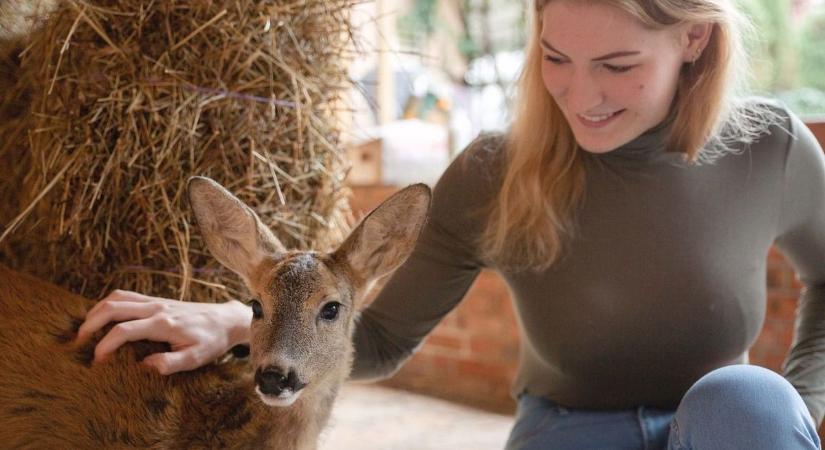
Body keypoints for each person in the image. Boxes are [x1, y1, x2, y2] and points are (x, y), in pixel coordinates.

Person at [77, 0, 825, 448]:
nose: (579, 93)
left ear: (691, 39)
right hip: (568, 429)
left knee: (746, 399)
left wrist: (808, 405)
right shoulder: (495, 169)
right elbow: (376, 340)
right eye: (556, 56)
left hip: (721, 429)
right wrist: (241, 324)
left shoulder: (767, 146)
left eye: (617, 64)